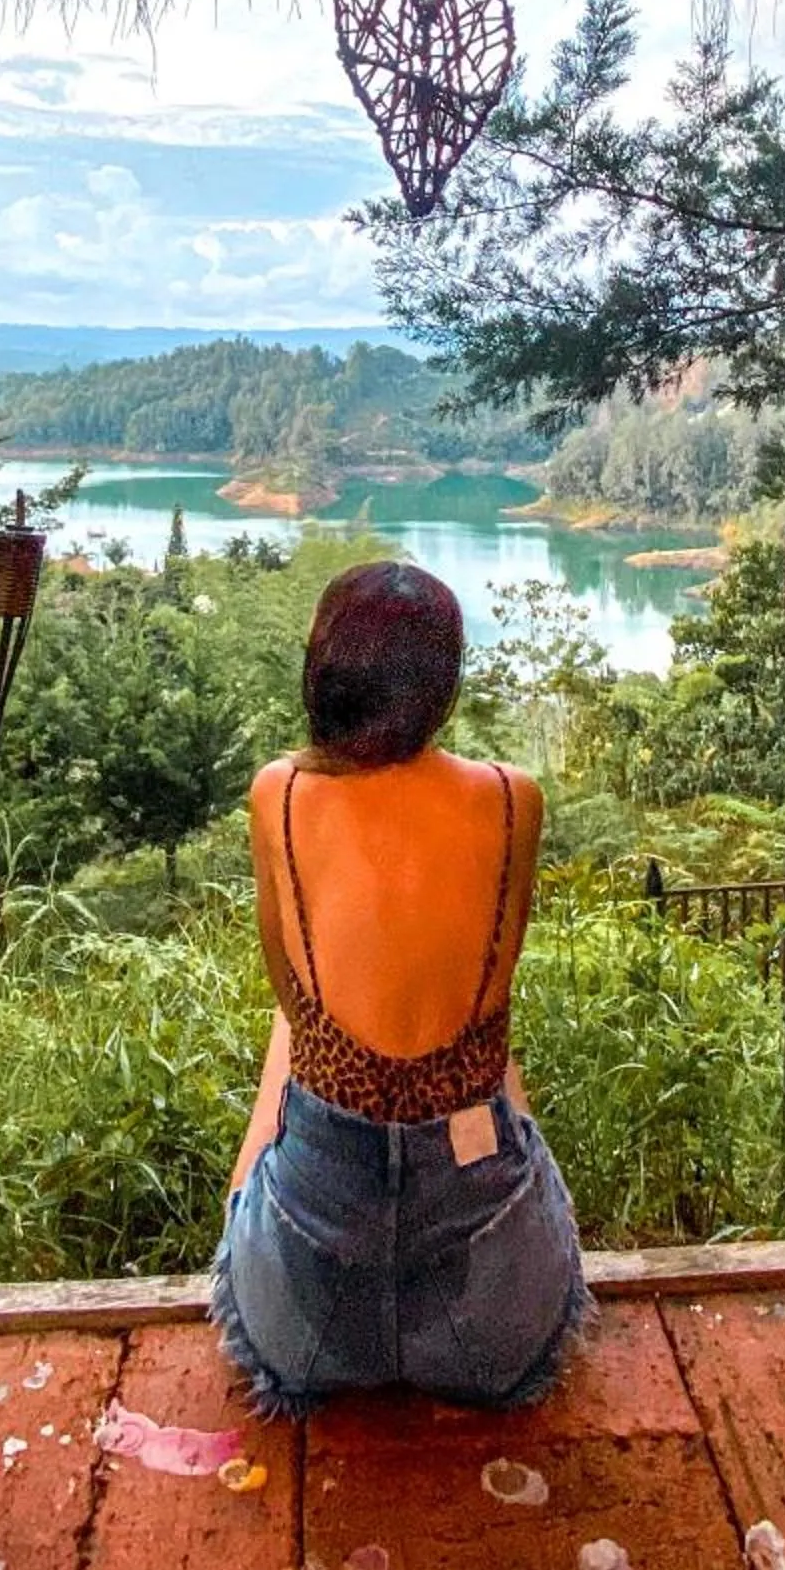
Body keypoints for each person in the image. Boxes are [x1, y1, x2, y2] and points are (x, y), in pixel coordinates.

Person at [210, 558, 588, 1416]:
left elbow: (290, 993)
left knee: (294, 1038)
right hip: (494, 1332)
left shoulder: (280, 794)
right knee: (487, 1067)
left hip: (305, 1329)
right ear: (442, 685)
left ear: (327, 671)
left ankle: (250, 1222)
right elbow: (492, 997)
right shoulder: (512, 801)